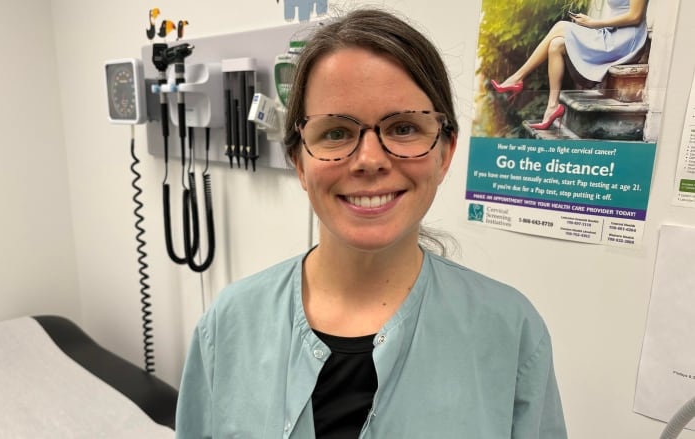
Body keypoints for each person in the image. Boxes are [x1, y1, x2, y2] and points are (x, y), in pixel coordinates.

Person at [175, 7, 567, 438]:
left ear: (445, 152)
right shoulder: (228, 327)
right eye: (337, 132)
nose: (370, 160)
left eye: (403, 127)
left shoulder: (510, 334)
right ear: (299, 163)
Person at [492, 0, 648, 129]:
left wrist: (595, 23)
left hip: (627, 38)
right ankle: (552, 106)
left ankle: (518, 78)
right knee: (556, 45)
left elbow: (635, 16)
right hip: (611, 33)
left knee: (561, 27)